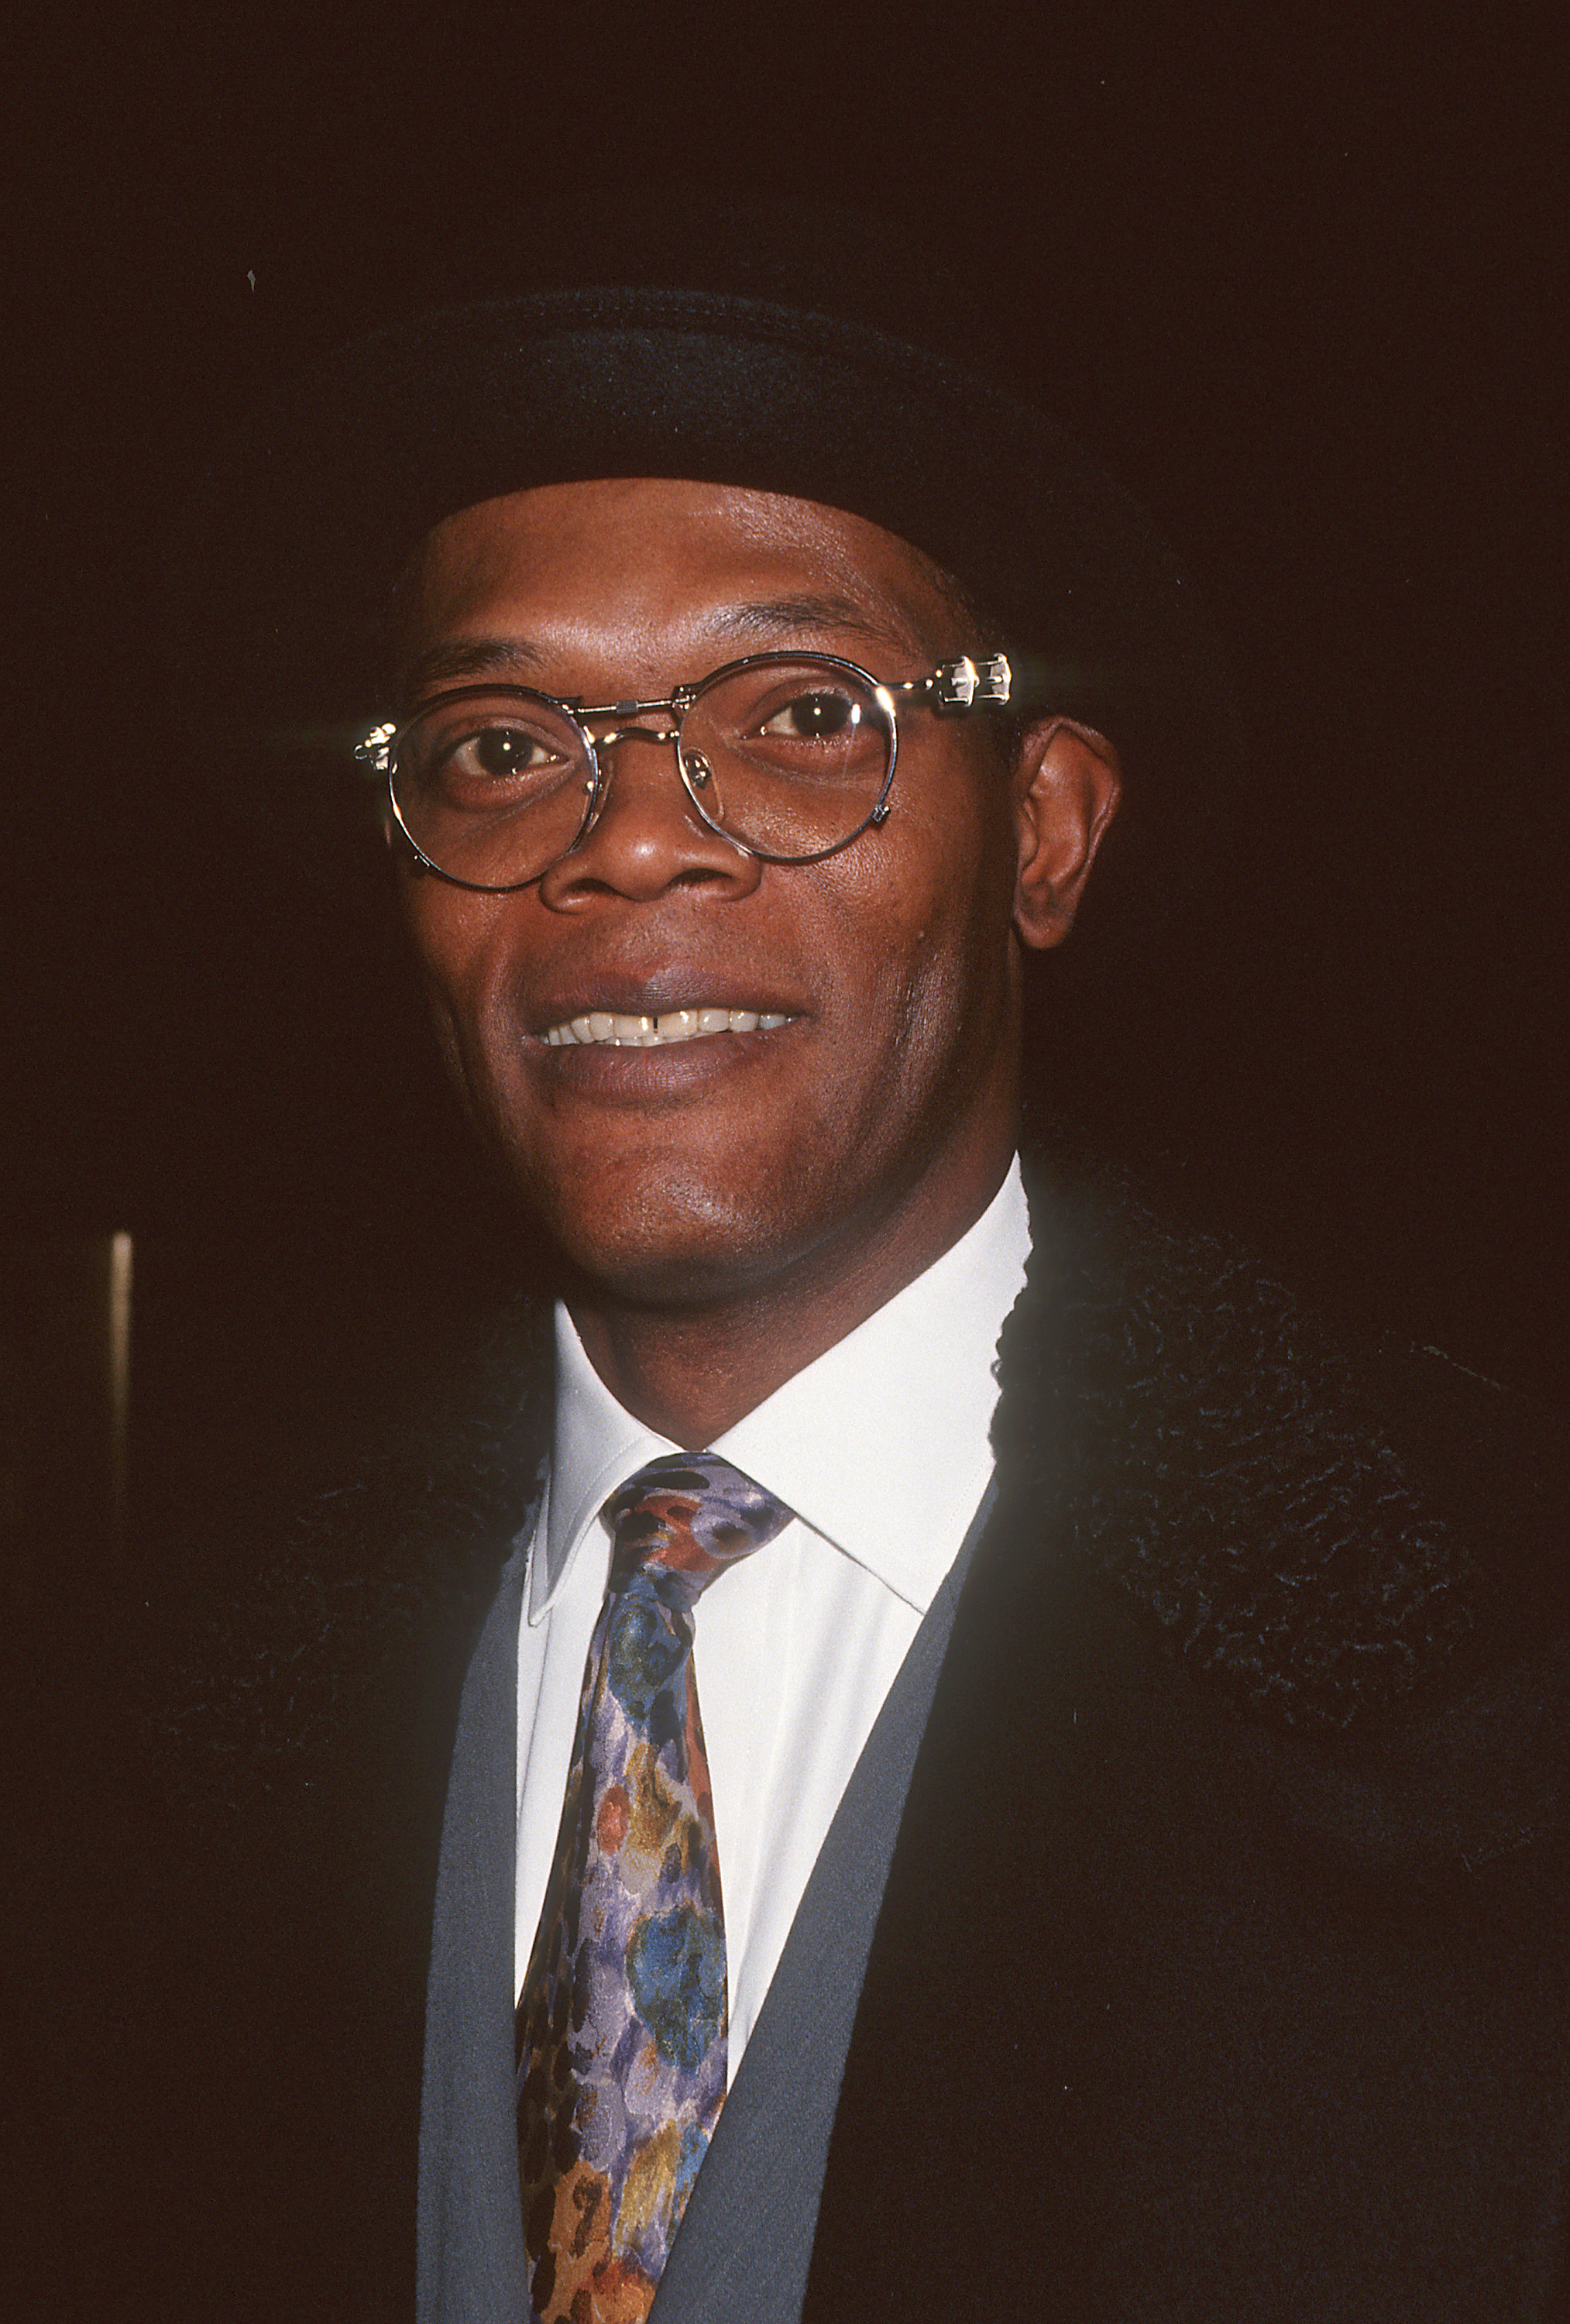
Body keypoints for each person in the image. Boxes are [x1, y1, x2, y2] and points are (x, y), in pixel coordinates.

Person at [98, 232, 1570, 2322]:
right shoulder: (149, 1749)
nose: (624, 841)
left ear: (1042, 833)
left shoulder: (1493, 1671)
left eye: (798, 715)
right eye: (503, 745)